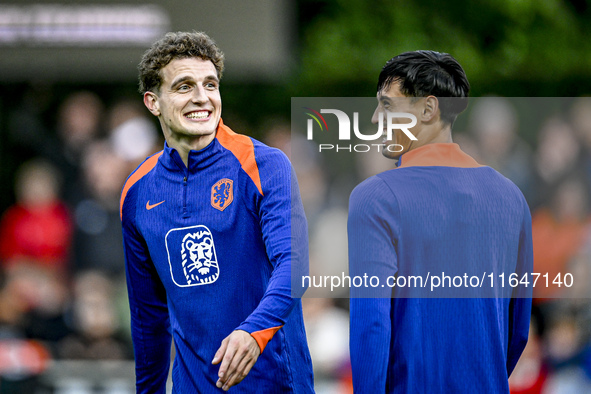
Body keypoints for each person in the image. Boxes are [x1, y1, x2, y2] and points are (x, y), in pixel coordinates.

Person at [120, 31, 314, 393]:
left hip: (272, 384)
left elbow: (294, 265)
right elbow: (148, 318)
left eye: (210, 84)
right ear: (153, 102)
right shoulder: (137, 192)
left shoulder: (264, 164)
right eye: (184, 86)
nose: (202, 97)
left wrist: (253, 332)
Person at [348, 51, 533, 393]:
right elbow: (517, 327)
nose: (375, 119)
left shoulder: (375, 197)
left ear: (428, 109)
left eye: (387, 105)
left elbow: (371, 326)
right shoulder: (511, 197)